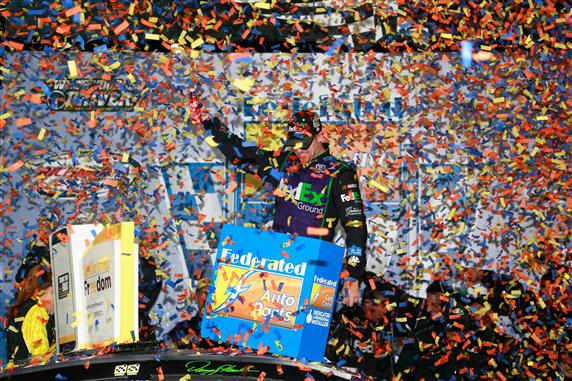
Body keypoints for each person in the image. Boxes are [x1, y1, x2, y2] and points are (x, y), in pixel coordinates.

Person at [190, 95, 368, 306]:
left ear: (321, 136)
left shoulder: (340, 173)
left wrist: (353, 274)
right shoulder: (283, 161)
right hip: (276, 261)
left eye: (304, 143)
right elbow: (241, 153)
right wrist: (208, 122)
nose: (298, 149)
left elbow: (355, 225)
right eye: (294, 143)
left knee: (305, 333)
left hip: (312, 265)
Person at [6, 264, 55, 363]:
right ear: (42, 291)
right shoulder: (37, 310)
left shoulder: (22, 307)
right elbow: (40, 357)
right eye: (53, 292)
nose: (56, 298)